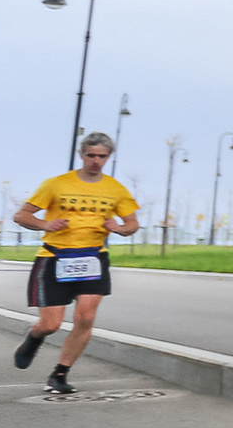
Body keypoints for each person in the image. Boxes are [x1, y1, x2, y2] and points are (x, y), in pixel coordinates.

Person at [12, 133, 140, 394]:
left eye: (101, 156)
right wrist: (46, 224)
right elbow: (22, 215)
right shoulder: (56, 185)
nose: (96, 161)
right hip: (54, 257)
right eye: (91, 155)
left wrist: (119, 228)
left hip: (93, 258)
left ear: (108, 157)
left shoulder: (115, 189)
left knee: (86, 317)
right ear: (81, 155)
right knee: (51, 324)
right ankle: (34, 337)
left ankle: (59, 374)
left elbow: (132, 224)